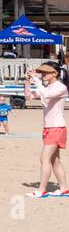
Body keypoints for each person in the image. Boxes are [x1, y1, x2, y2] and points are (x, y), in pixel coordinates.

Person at [24, 62, 68, 197]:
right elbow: (29, 96)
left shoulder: (61, 87)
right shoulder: (47, 86)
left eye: (46, 72)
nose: (43, 74)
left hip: (56, 127)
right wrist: (27, 82)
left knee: (44, 158)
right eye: (42, 72)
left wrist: (36, 79)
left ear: (55, 73)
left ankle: (42, 190)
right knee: (54, 160)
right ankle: (64, 188)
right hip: (49, 127)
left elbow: (47, 95)